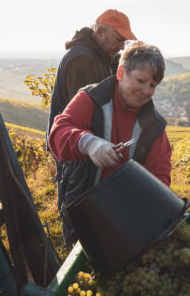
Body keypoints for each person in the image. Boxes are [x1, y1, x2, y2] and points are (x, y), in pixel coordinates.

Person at [48, 41, 172, 246]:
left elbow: (160, 175)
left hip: (125, 217)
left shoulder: (155, 127)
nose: (146, 91)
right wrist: (88, 143)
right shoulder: (91, 99)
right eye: (141, 81)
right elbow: (59, 134)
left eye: (152, 85)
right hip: (81, 207)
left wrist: (150, 210)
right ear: (121, 73)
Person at [47, 9, 137, 137]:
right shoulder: (81, 60)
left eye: (125, 42)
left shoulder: (103, 57)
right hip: (74, 143)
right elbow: (85, 114)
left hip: (85, 141)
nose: (122, 47)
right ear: (100, 32)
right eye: (118, 40)